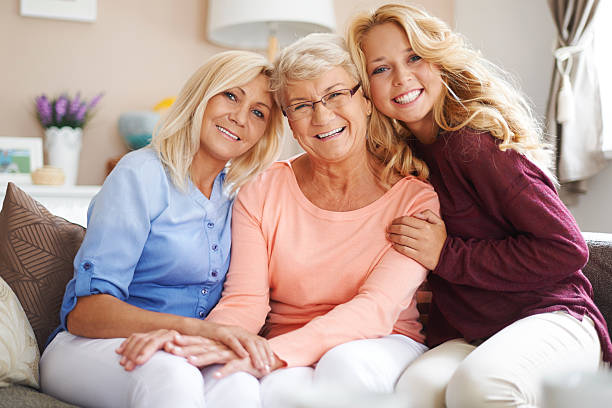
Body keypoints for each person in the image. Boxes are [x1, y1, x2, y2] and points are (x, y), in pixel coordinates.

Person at [136, 33, 439, 407]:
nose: (323, 116)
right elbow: (245, 301)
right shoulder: (261, 191)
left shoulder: (415, 199)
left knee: (345, 366)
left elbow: (374, 310)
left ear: (364, 99)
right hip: (283, 343)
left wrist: (270, 353)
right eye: (301, 105)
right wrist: (203, 344)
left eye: (335, 94)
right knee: (250, 386)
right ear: (288, 122)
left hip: (381, 343)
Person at [347, 3, 612, 408]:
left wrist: (447, 254)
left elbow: (567, 247)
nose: (402, 77)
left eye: (414, 56)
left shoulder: (474, 145)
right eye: (380, 68)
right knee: (414, 389)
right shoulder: (403, 159)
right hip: (475, 333)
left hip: (552, 318)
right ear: (366, 90)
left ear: (438, 62)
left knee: (481, 385)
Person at [39, 50, 284, 408]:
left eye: (258, 112)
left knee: (240, 384)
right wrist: (188, 331)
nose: (240, 118)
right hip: (86, 347)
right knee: (173, 375)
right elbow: (84, 313)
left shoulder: (240, 197)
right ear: (201, 95)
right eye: (231, 95)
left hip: (177, 348)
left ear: (264, 132)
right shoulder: (139, 174)